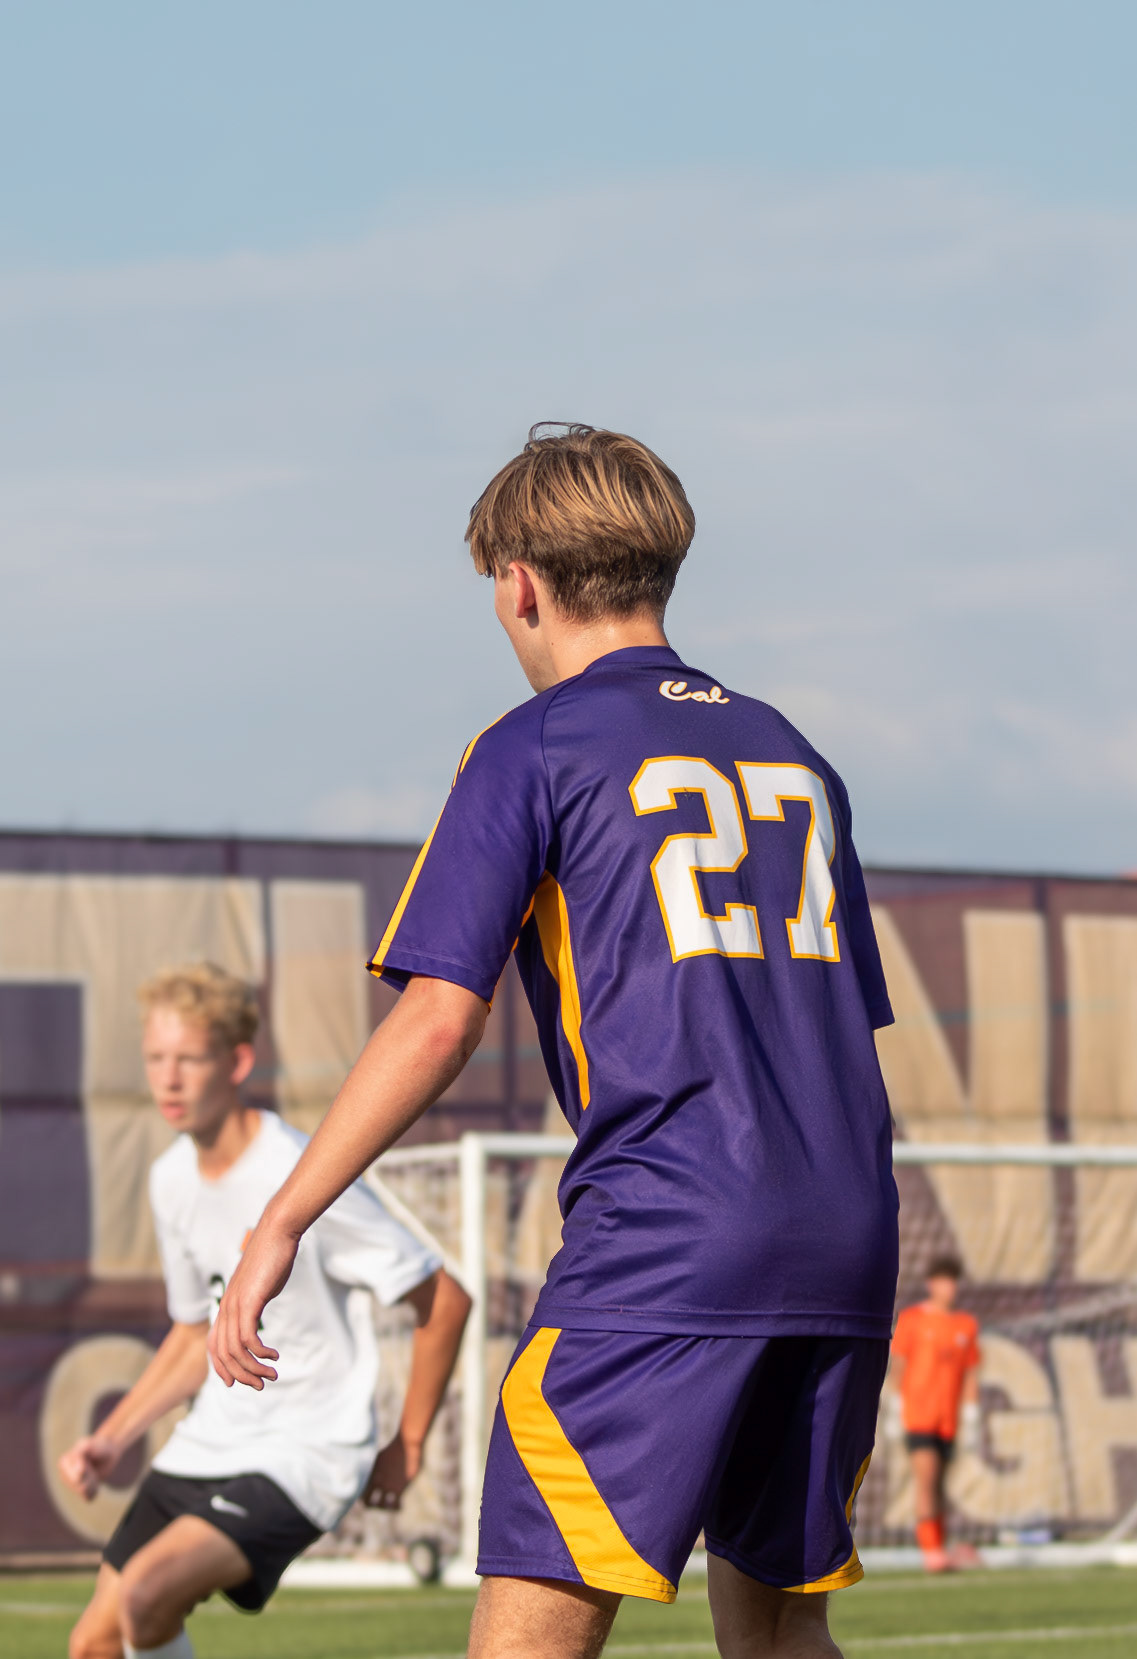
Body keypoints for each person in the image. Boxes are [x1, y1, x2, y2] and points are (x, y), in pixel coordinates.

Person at [210, 424, 900, 1659]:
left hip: (670, 1239)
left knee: (530, 1639)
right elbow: (848, 1020)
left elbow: (438, 1016)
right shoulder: (797, 754)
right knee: (784, 1637)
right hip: (845, 1237)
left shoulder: (534, 746)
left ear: (519, 583)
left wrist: (280, 1218)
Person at [62, 962, 470, 1659]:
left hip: (305, 1451)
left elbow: (446, 1298)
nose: (168, 1078)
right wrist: (116, 1435)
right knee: (94, 1642)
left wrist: (406, 1445)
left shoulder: (301, 1171)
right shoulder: (169, 1181)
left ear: (238, 1061)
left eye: (189, 1058)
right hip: (209, 1443)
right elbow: (197, 1331)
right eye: (156, 1058)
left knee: (146, 1595)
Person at [889, 1255, 982, 1573]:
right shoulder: (913, 1319)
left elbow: (970, 1373)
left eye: (954, 1281)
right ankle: (931, 1552)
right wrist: (894, 1407)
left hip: (948, 1420)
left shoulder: (965, 1325)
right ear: (931, 1284)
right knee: (926, 1480)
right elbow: (899, 1365)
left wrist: (971, 1415)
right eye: (944, 1280)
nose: (949, 1287)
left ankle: (939, 1547)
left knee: (940, 1484)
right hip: (918, 1415)